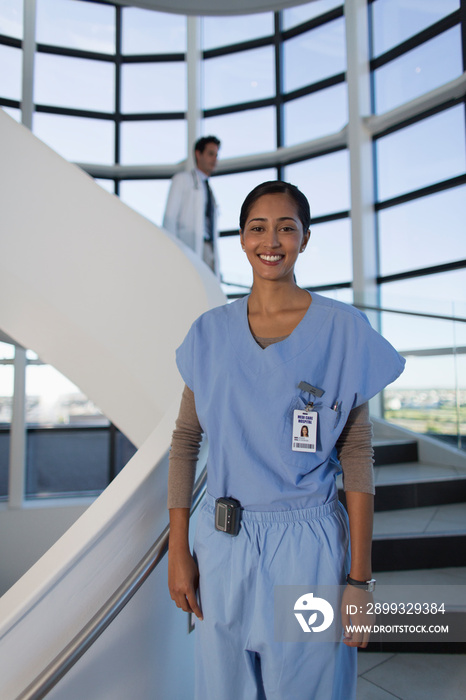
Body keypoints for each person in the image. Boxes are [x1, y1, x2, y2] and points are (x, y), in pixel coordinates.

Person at [167, 181, 405, 699]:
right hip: (222, 546)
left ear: (304, 238)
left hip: (307, 551)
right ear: (241, 237)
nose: (270, 240)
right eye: (258, 227)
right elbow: (186, 440)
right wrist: (178, 548)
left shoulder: (342, 329)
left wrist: (360, 583)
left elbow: (357, 456)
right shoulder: (209, 333)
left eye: (285, 228)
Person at [163, 136, 221, 275]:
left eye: (216, 155)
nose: (215, 159)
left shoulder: (208, 189)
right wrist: (172, 252)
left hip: (208, 249)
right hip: (188, 246)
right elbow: (169, 219)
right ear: (198, 154)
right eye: (210, 154)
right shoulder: (182, 180)